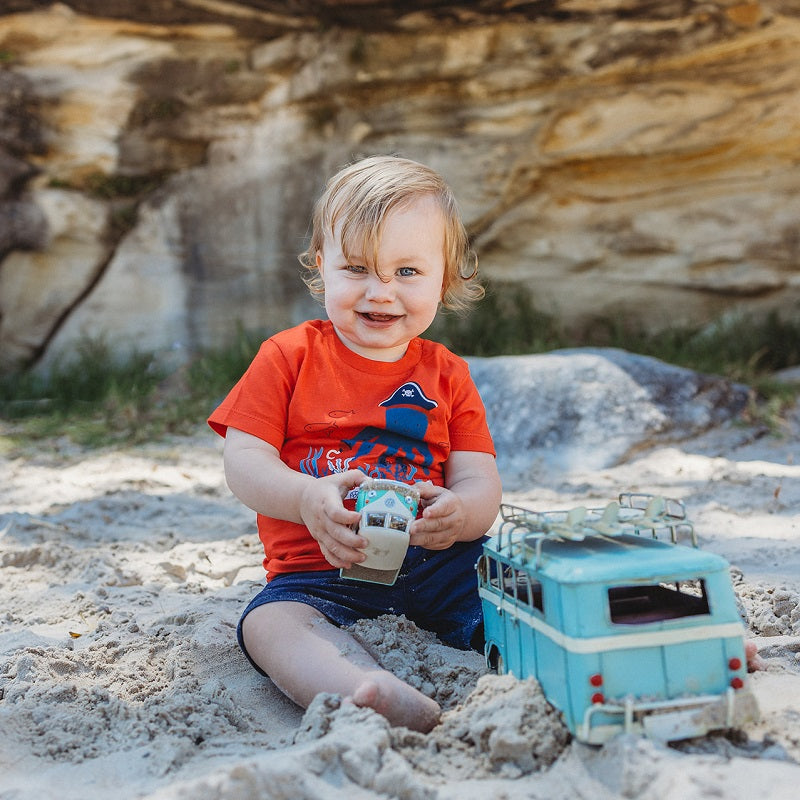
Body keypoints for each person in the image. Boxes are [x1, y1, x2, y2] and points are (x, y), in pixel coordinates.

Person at [208, 155, 503, 733]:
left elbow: (480, 480)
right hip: (319, 569)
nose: (381, 292)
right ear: (323, 266)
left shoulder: (448, 374)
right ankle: (361, 687)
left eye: (408, 272)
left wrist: (461, 513)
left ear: (444, 277)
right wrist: (305, 498)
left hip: (438, 563)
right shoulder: (288, 356)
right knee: (268, 626)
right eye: (358, 268)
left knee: (515, 588)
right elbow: (244, 462)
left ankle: (622, 649)